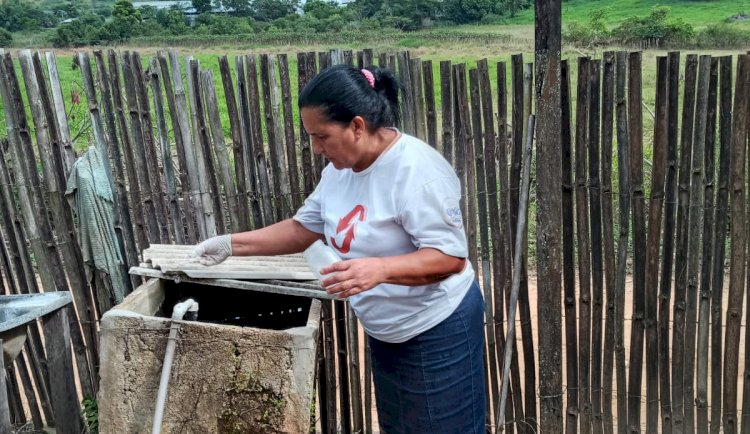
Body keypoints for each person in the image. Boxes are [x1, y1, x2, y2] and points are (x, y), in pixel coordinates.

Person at [190, 64, 487, 433]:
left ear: (358, 126)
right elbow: (303, 228)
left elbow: (450, 258)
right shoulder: (339, 171)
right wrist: (231, 244)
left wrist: (378, 269)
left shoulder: (417, 173)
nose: (316, 149)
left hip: (436, 328)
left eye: (322, 136)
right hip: (388, 332)